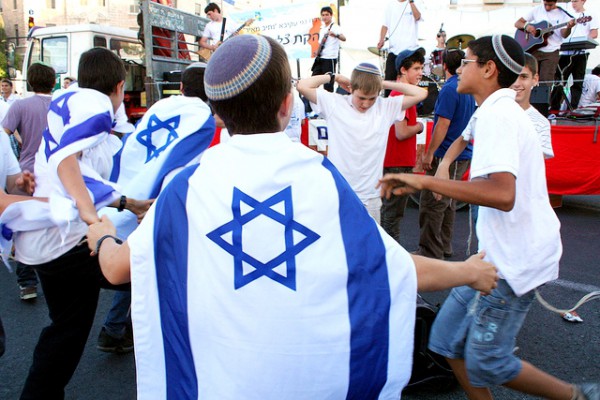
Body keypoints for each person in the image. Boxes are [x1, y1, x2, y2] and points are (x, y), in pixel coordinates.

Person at [86, 34, 498, 399]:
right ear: (287, 105)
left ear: (216, 112)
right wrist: (466, 272)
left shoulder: (185, 185)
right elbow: (390, 268)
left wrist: (103, 233)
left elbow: (118, 269)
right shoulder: (320, 178)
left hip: (219, 383)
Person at [379, 34, 599, 400]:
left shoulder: (499, 114)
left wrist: (423, 180)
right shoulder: (490, 110)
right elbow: (463, 141)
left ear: (488, 68)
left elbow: (502, 194)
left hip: (514, 261)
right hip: (492, 259)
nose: (459, 66)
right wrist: (444, 165)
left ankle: (580, 395)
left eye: (465, 60)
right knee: (446, 341)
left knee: (489, 362)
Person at [6, 48, 151, 400]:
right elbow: (64, 158)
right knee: (146, 269)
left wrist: (125, 203)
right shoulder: (97, 105)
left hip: (44, 238)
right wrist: (94, 211)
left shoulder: (70, 98)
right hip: (62, 237)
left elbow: (76, 168)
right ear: (119, 86)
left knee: (67, 328)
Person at [96, 62, 215, 354]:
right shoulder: (202, 119)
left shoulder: (161, 107)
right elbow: (182, 165)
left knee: (136, 261)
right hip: (156, 203)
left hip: (130, 195)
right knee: (153, 267)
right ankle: (138, 332)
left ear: (182, 88)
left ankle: (115, 329)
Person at [297, 63, 427, 223]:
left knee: (369, 246)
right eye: (361, 98)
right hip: (340, 192)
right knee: (338, 245)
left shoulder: (385, 106)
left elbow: (421, 93)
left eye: (371, 98)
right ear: (351, 88)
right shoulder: (335, 103)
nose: (365, 103)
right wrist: (335, 77)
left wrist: (381, 83)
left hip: (370, 196)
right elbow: (302, 85)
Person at [2, 62, 56, 301]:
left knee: (26, 226)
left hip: (25, 172)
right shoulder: (62, 106)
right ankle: (55, 277)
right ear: (53, 82)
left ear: (30, 83)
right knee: (55, 223)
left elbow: (5, 134)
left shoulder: (20, 106)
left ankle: (27, 284)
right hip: (57, 173)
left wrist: (21, 139)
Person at [416, 48, 475, 259]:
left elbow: (442, 124)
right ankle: (443, 246)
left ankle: (430, 251)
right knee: (448, 205)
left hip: (447, 153)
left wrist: (430, 153)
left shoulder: (450, 89)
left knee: (432, 204)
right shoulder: (466, 89)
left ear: (446, 67)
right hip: (462, 153)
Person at [380, 47, 426, 243]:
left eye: (421, 68)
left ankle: (390, 256)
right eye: (416, 68)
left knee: (393, 214)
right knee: (392, 215)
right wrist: (420, 126)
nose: (420, 72)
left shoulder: (399, 94)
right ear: (403, 70)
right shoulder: (400, 95)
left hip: (397, 162)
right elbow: (401, 132)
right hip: (396, 162)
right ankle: (391, 257)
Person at [550, 0, 598, 110]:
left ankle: (573, 109)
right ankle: (554, 108)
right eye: (572, 1)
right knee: (559, 81)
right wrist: (568, 27)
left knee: (577, 82)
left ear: (583, 1)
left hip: (581, 53)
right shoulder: (565, 15)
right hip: (565, 53)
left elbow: (594, 33)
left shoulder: (590, 15)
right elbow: (562, 34)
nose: (573, 3)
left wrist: (584, 39)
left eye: (576, 1)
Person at [515, 0, 576, 88]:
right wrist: (527, 26)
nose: (547, 7)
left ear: (555, 2)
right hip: (534, 50)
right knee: (528, 77)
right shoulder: (537, 10)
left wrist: (569, 28)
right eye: (545, 4)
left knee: (546, 82)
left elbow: (564, 35)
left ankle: (543, 101)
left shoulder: (563, 15)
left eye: (550, 5)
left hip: (551, 51)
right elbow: (518, 23)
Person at [377, 0, 424, 95]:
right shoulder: (390, 5)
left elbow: (417, 16)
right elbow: (385, 25)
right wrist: (381, 39)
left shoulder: (415, 2)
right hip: (394, 51)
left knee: (409, 84)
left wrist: (411, 3)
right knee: (389, 82)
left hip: (410, 51)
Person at [310, 6, 346, 92]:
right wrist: (317, 52)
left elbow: (344, 38)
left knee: (328, 85)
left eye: (327, 15)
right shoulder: (322, 28)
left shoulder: (335, 27)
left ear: (331, 15)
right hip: (320, 58)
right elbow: (320, 44)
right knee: (313, 81)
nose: (324, 17)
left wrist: (335, 35)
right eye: (323, 15)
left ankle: (329, 103)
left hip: (330, 59)